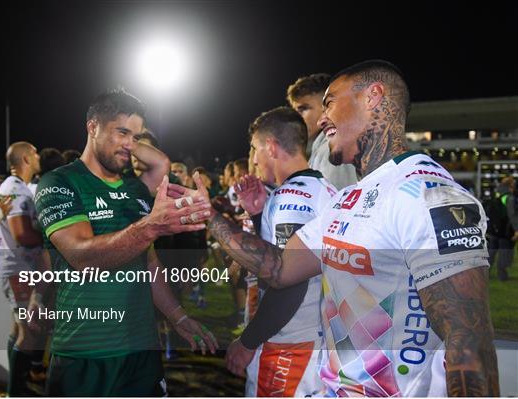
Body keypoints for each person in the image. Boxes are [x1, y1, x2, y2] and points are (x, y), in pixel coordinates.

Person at [186, 60, 498, 396]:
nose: (321, 120)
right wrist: (209, 216)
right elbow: (278, 269)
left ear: (373, 97)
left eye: (330, 103)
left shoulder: (427, 193)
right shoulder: (347, 199)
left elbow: (469, 340)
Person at [34, 88, 216, 396]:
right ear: (92, 127)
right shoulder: (59, 182)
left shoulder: (135, 188)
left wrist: (177, 315)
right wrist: (149, 228)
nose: (131, 145)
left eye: (138, 137)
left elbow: (149, 263)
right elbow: (81, 256)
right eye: (122, 132)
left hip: (142, 353)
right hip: (85, 353)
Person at [228, 106, 335, 396]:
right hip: (313, 343)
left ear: (271, 147)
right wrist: (260, 215)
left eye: (253, 150)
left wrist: (247, 342)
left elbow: (289, 283)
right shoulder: (323, 189)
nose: (252, 160)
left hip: (289, 347)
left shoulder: (291, 199)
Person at [0, 142, 45, 396]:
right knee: (30, 333)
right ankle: (16, 392)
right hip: (18, 269)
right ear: (26, 158)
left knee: (19, 330)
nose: (39, 157)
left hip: (18, 267)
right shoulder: (14, 189)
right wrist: (52, 237)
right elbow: (22, 234)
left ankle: (18, 385)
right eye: (35, 153)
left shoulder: (16, 187)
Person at [287, 73, 357, 190]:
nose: (296, 118)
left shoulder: (331, 150)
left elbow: (336, 204)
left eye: (303, 109)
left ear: (327, 107)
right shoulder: (319, 148)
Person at [486, 176, 517, 280]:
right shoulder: (510, 198)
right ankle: (502, 274)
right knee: (505, 252)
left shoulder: (496, 195)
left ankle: (485, 274)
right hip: (505, 231)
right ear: (510, 185)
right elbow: (512, 215)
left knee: (491, 252)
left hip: (494, 229)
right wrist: (516, 230)